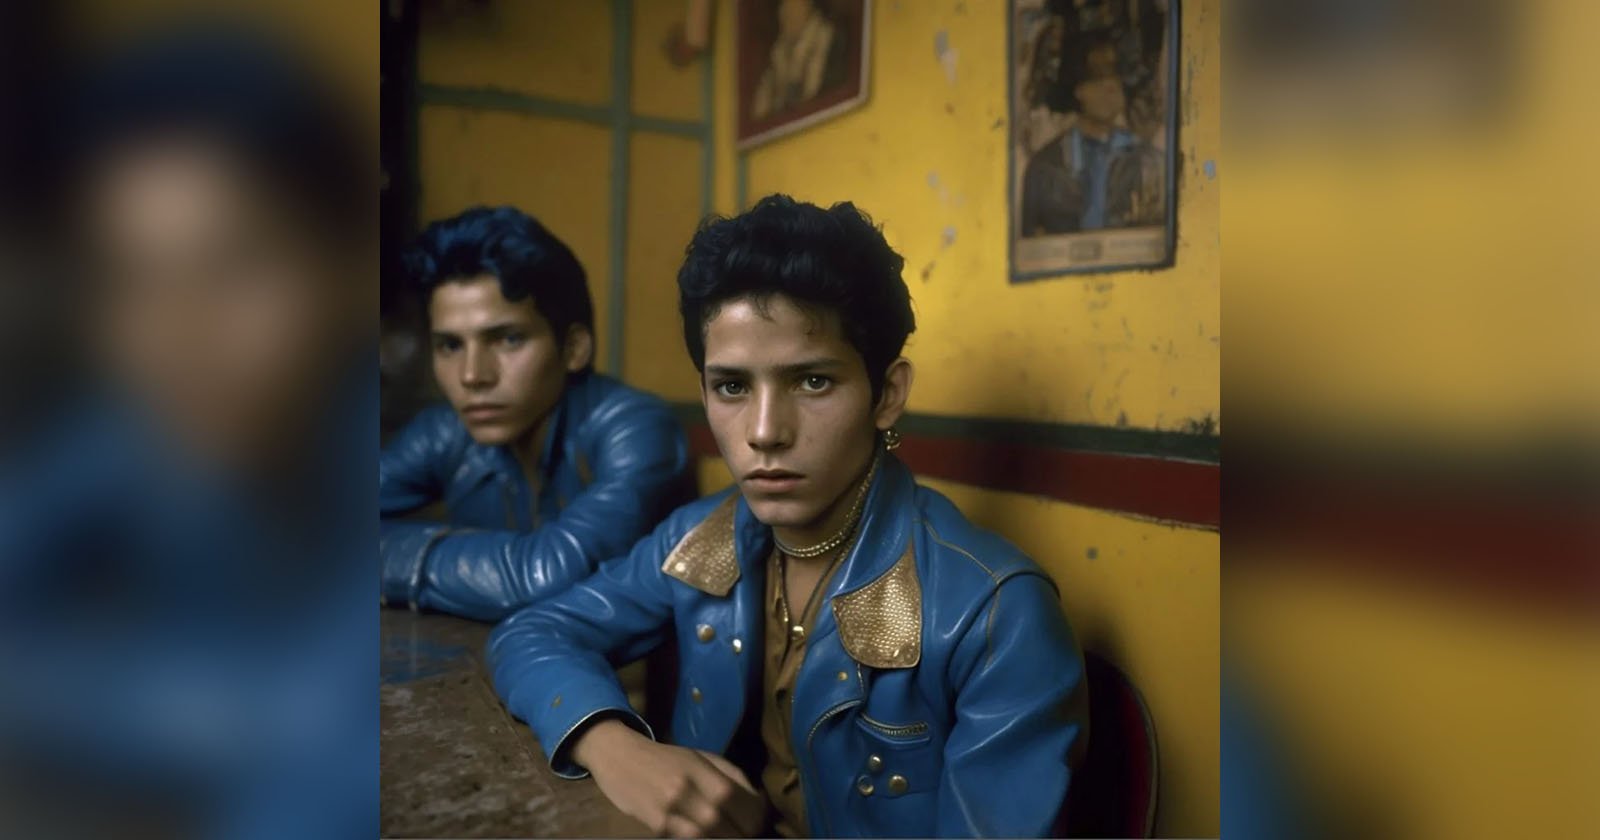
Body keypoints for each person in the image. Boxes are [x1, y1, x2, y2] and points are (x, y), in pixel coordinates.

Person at [489, 195, 1088, 837]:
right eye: (733, 387)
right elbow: (529, 634)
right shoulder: (700, 538)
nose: (765, 432)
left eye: (812, 382)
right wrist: (614, 747)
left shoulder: (999, 613)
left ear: (887, 395)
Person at [380, 206, 691, 621]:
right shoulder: (445, 432)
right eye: (450, 346)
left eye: (508, 339)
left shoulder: (635, 427)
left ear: (574, 348)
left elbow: (545, 577)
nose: (473, 376)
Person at [1020, 36, 1165, 235]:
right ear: (1078, 89)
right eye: (1098, 78)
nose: (1111, 87)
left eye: (1117, 76)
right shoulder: (1044, 168)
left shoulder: (1150, 163)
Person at [751, 0, 850, 120]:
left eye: (794, 8)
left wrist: (795, 73)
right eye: (784, 9)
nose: (785, 15)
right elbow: (762, 114)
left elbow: (811, 103)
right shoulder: (778, 53)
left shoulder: (831, 42)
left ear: (809, 7)